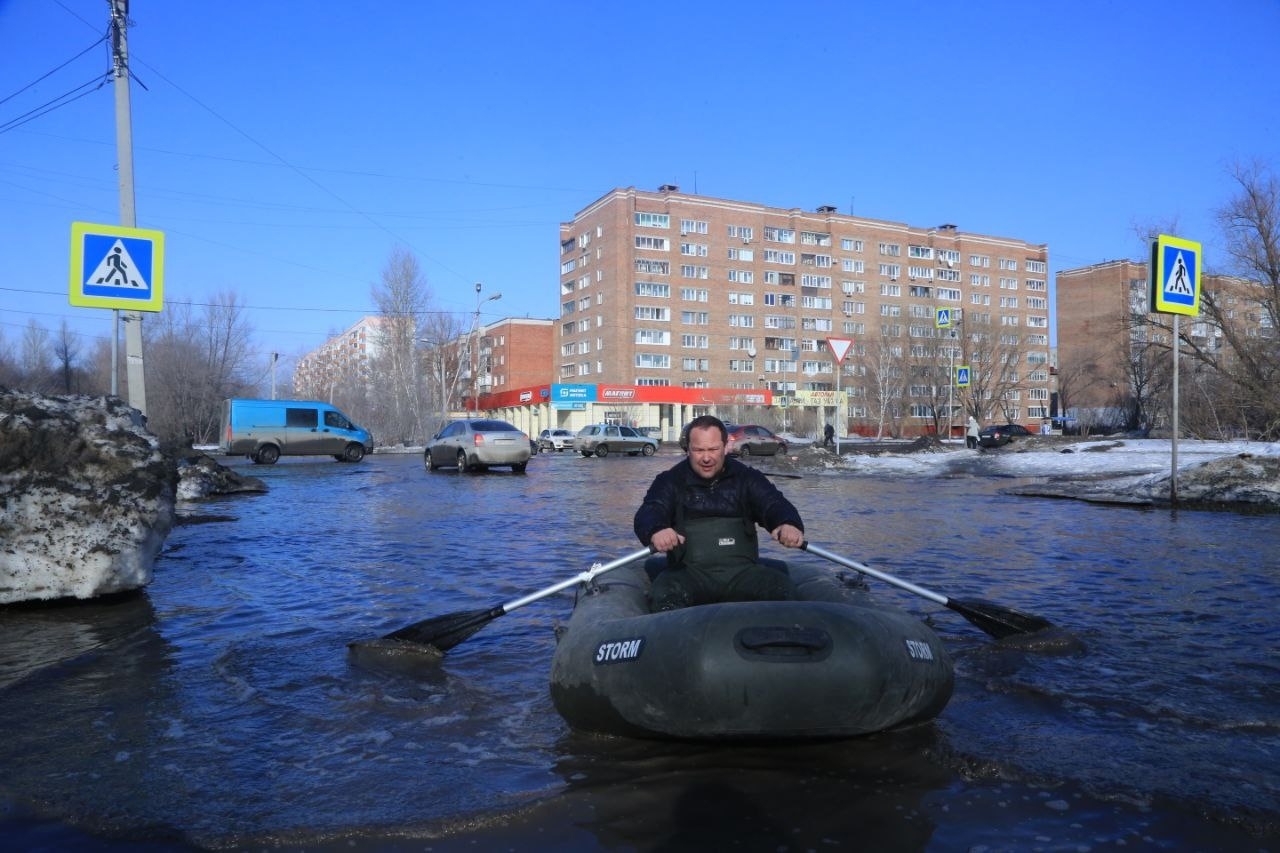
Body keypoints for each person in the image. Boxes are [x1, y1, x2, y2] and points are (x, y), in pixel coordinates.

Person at [634, 415, 805, 611]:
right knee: (665, 593)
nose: (706, 457)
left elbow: (773, 503)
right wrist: (657, 529)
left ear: (725, 447)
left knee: (781, 588)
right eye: (699, 450)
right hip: (688, 575)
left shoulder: (747, 478)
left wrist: (787, 523)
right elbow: (650, 510)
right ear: (688, 450)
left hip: (743, 575)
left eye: (713, 449)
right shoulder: (670, 481)